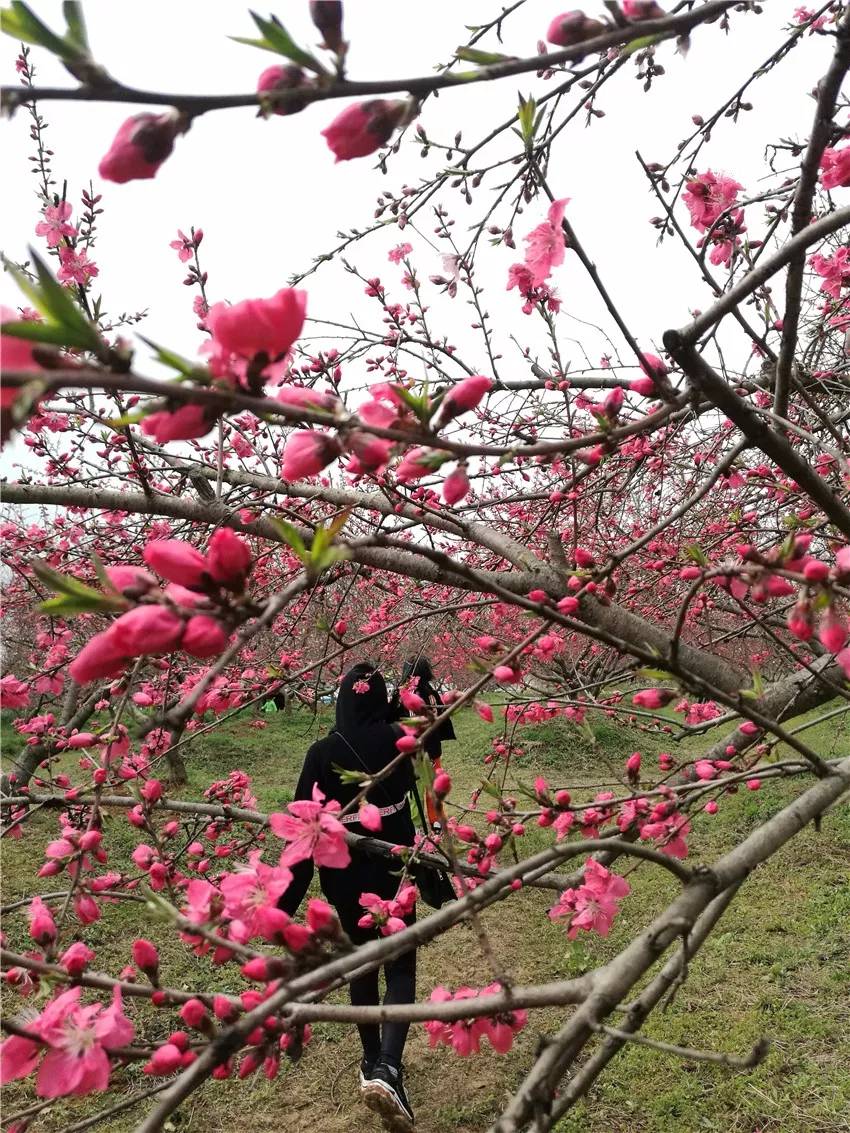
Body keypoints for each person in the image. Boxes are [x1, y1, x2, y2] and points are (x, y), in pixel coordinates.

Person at [278, 662, 417, 1132]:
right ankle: (389, 1069)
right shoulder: (398, 736)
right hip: (396, 864)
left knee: (363, 959)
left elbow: (304, 827)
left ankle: (371, 1058)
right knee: (400, 963)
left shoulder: (321, 752)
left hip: (344, 872)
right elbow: (413, 789)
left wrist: (282, 903)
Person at [390, 655, 456, 829]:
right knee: (433, 786)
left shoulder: (400, 692)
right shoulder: (429, 691)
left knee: (415, 789)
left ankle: (417, 825)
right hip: (432, 747)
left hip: (410, 749)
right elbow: (441, 716)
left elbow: (391, 718)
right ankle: (437, 822)